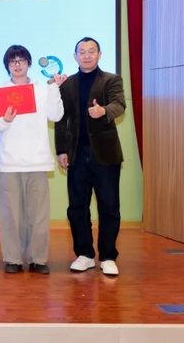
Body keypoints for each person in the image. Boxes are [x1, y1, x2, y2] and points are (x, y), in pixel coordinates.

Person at [0, 45, 66, 275]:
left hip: (37, 161)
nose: (17, 64)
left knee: (39, 215)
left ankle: (38, 259)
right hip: (10, 162)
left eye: (21, 60)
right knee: (10, 215)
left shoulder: (42, 90)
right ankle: (12, 258)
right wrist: (5, 120)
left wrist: (55, 88)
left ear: (29, 63)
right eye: (13, 61)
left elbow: (56, 116)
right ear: (7, 65)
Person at [54, 37, 126, 277]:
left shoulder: (111, 80)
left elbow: (119, 104)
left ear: (99, 54)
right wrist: (61, 150)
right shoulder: (68, 84)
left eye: (91, 51)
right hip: (76, 154)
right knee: (77, 207)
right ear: (75, 56)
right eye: (82, 52)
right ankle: (84, 254)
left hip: (105, 154)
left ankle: (108, 256)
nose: (86, 55)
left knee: (109, 207)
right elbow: (61, 120)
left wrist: (103, 110)